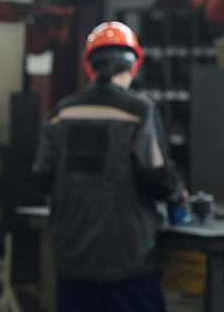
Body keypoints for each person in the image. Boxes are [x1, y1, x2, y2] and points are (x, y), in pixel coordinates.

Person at [32, 21, 188, 312]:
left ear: (90, 66)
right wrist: (178, 193)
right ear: (134, 64)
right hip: (127, 257)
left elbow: (41, 175)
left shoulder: (61, 112)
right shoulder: (139, 110)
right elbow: (154, 174)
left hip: (71, 254)